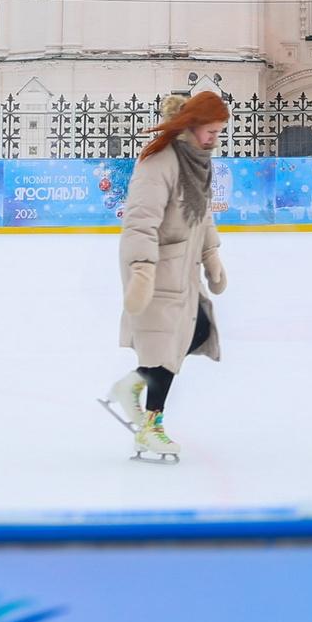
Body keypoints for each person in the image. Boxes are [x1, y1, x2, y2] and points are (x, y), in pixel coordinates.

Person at [103, 90, 228, 462]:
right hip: (157, 269)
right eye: (211, 131)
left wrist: (212, 255)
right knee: (162, 353)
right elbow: (140, 219)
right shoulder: (160, 161)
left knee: (199, 331)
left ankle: (131, 385)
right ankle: (149, 428)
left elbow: (201, 214)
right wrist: (141, 269)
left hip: (183, 271)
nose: (215, 139)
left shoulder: (196, 161)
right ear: (191, 126)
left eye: (219, 132)